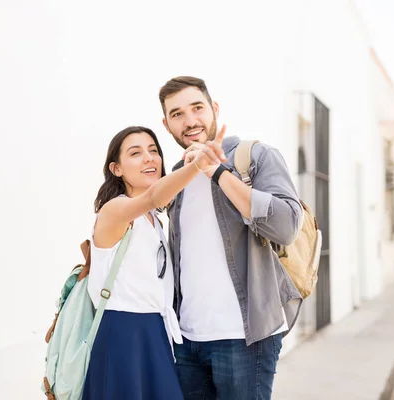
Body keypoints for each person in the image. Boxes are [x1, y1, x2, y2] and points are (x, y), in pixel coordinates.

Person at [158, 76, 304, 400]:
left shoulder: (254, 156)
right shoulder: (175, 177)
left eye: (197, 108)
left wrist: (217, 172)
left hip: (244, 338)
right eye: (177, 114)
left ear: (214, 109)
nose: (190, 120)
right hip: (187, 339)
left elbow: (287, 225)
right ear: (166, 124)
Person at [82, 125, 226, 399]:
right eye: (136, 153)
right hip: (124, 334)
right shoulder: (114, 209)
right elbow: (154, 195)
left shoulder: (153, 219)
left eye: (153, 151)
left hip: (155, 333)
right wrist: (198, 165)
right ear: (116, 169)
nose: (149, 158)